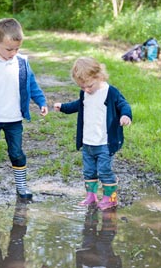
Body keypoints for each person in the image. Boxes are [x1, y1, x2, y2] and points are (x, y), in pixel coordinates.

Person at [0, 17, 48, 201]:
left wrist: (41, 102)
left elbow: (32, 84)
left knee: (17, 153)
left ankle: (22, 186)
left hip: (14, 119)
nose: (13, 53)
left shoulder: (21, 62)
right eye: (8, 49)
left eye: (17, 49)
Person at [54, 55, 133, 210]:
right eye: (82, 87)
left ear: (99, 76)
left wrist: (125, 115)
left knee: (104, 170)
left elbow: (124, 105)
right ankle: (91, 196)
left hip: (104, 142)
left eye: (89, 86)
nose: (86, 90)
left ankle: (110, 197)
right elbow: (78, 105)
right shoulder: (85, 93)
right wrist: (63, 107)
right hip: (88, 141)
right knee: (89, 171)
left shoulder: (110, 92)